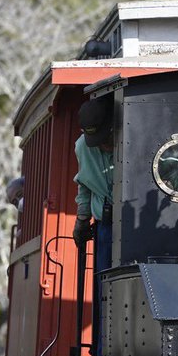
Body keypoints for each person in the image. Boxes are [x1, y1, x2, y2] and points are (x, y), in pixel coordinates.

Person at [73, 96, 114, 258]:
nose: (102, 144)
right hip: (104, 225)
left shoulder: (136, 138)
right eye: (96, 140)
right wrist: (82, 220)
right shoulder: (82, 147)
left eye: (105, 137)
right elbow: (85, 185)